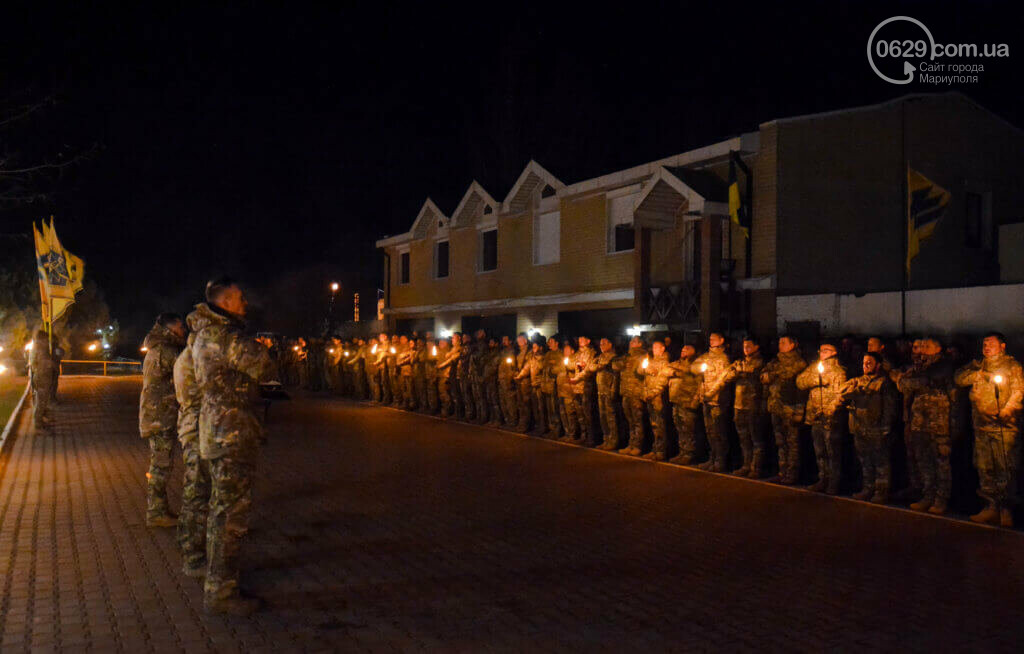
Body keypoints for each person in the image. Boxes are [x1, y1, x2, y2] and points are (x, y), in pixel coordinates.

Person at [192, 277, 275, 615]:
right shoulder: (224, 336)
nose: (245, 304)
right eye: (239, 298)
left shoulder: (203, 333)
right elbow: (263, 364)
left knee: (220, 512)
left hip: (218, 430)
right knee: (230, 517)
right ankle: (221, 592)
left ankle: (218, 579)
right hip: (232, 432)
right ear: (225, 302)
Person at [955, 332, 1024, 526]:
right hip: (981, 427)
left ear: (1002, 346)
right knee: (985, 467)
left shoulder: (1012, 366)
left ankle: (1006, 509)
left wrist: (1007, 410)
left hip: (1004, 428)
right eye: (984, 344)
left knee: (1006, 468)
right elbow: (959, 378)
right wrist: (978, 374)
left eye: (991, 344)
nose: (986, 347)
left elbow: (1019, 391)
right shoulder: (978, 365)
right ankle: (990, 506)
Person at [895, 337, 955, 514]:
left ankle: (940, 499)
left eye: (926, 346)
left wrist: (954, 426)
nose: (921, 349)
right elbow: (904, 385)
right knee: (924, 461)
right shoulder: (919, 366)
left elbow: (918, 381)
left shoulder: (944, 365)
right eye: (920, 346)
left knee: (941, 463)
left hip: (940, 424)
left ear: (937, 349)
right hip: (919, 422)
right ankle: (928, 495)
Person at [139, 312, 187, 527]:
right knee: (160, 466)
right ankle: (156, 513)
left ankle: (159, 509)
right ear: (169, 330)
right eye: (179, 328)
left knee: (160, 464)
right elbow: (187, 373)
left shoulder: (157, 348)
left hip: (158, 414)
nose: (183, 331)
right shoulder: (166, 351)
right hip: (161, 416)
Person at [174, 307, 212, 576]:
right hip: (197, 429)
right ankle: (193, 556)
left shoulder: (188, 355)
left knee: (193, 491)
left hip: (193, 428)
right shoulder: (193, 359)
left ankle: (187, 542)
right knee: (196, 494)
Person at [840, 352, 898, 503]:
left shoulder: (884, 383)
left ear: (878, 365)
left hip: (876, 428)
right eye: (864, 362)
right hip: (860, 427)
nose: (865, 365)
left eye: (869, 362)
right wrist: (852, 391)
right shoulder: (857, 381)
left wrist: (886, 427)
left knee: (880, 462)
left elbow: (889, 407)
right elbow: (841, 391)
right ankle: (868, 488)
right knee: (865, 461)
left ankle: (881, 491)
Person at [797, 341, 847, 495]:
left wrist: (829, 410)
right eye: (821, 350)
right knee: (819, 451)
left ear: (834, 352)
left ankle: (833, 482)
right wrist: (816, 381)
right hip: (815, 416)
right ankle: (822, 478)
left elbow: (841, 395)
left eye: (826, 350)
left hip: (830, 418)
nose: (822, 353)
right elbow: (800, 381)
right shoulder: (814, 367)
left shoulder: (839, 372)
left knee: (832, 452)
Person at [711, 337, 765, 477]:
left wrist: (741, 372)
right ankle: (746, 465)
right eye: (744, 346)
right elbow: (727, 375)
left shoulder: (761, 362)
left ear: (756, 347)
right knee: (743, 438)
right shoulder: (739, 362)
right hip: (739, 405)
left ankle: (756, 468)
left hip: (754, 405)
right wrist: (739, 372)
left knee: (756, 439)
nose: (746, 349)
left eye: (749, 346)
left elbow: (755, 373)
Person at [761, 335, 807, 484]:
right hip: (776, 406)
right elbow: (763, 376)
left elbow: (792, 379)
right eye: (779, 342)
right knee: (780, 442)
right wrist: (771, 375)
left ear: (792, 345)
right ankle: (782, 471)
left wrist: (772, 375)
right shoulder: (776, 361)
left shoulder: (799, 362)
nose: (780, 345)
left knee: (792, 442)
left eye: (784, 342)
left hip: (790, 407)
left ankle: (792, 474)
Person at [693, 333, 731, 472]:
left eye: (714, 338)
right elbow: (694, 367)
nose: (711, 340)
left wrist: (711, 393)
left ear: (722, 340)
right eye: (710, 339)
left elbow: (722, 380)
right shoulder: (706, 356)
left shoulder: (724, 358)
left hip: (717, 400)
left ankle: (720, 460)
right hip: (706, 400)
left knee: (719, 432)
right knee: (710, 431)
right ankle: (712, 458)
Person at [667, 344, 700, 464]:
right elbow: (666, 369)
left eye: (687, 349)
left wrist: (695, 401)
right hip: (676, 400)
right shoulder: (678, 362)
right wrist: (677, 372)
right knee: (680, 428)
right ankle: (682, 452)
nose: (683, 350)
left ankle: (690, 454)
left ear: (693, 351)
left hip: (688, 401)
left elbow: (699, 384)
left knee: (689, 429)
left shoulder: (696, 364)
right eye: (682, 348)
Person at [639, 339, 672, 460]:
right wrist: (646, 367)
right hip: (649, 396)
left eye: (656, 348)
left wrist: (652, 393)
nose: (654, 350)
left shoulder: (665, 362)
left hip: (658, 398)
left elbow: (662, 382)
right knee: (654, 424)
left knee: (660, 424)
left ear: (663, 348)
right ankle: (655, 448)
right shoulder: (651, 360)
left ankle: (661, 451)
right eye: (653, 348)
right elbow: (641, 371)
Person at [615, 336, 647, 456]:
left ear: (640, 344)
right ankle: (631, 444)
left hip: (636, 393)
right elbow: (615, 366)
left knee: (637, 420)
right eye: (631, 341)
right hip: (626, 392)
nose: (630, 343)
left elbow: (643, 371)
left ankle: (638, 446)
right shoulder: (626, 356)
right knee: (630, 421)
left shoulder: (643, 356)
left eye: (634, 341)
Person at [589, 338, 620, 450]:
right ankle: (606, 439)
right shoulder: (600, 357)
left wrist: (613, 390)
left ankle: (613, 441)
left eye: (604, 344)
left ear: (610, 344)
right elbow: (591, 367)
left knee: (610, 417)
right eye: (600, 344)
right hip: (600, 390)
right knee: (603, 417)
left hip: (608, 390)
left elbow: (616, 376)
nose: (601, 346)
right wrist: (599, 366)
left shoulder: (614, 357)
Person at [570, 335, 598, 446]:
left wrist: (583, 367)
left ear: (588, 340)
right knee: (580, 413)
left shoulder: (592, 353)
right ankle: (583, 435)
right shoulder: (577, 353)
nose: (580, 341)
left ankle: (591, 438)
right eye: (579, 339)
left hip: (586, 386)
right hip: (576, 386)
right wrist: (576, 364)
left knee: (588, 414)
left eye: (583, 339)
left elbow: (589, 370)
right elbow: (570, 363)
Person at [27, 330, 56, 432]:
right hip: (42, 377)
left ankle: (40, 421)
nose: (47, 341)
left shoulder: (37, 347)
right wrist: (52, 364)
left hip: (42, 377)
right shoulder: (40, 348)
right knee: (41, 402)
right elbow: (44, 362)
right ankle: (38, 426)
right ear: (42, 339)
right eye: (46, 339)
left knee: (42, 401)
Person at [556, 342, 580, 443]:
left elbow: (573, 368)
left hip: (569, 391)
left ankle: (573, 434)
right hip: (561, 390)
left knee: (571, 413)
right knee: (563, 413)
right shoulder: (563, 360)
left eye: (567, 350)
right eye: (564, 350)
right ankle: (566, 432)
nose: (565, 352)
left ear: (572, 351)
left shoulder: (575, 360)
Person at [497, 335, 519, 427]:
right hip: (501, 380)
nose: (504, 341)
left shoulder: (512, 352)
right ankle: (507, 420)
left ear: (510, 341)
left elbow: (512, 368)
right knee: (503, 401)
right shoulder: (502, 352)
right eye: (503, 339)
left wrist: (510, 380)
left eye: (506, 340)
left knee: (510, 402)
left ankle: (513, 420)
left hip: (507, 381)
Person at [514, 333, 534, 432]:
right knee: (520, 403)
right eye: (518, 340)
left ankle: (526, 424)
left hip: (525, 381)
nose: (518, 342)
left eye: (520, 340)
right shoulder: (519, 352)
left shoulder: (529, 352)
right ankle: (522, 423)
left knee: (526, 403)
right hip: (519, 380)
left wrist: (520, 375)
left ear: (525, 340)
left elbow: (527, 366)